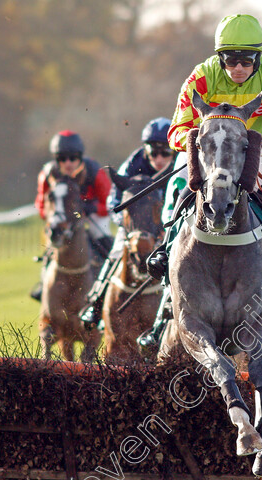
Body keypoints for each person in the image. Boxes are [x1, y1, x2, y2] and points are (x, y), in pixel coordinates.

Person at [137, 13, 262, 352]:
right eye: (231, 59)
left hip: (253, 150)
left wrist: (256, 147)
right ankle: (166, 247)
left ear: (258, 58)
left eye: (247, 60)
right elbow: (177, 128)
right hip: (207, 149)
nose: (239, 67)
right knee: (179, 185)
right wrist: (201, 144)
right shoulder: (201, 76)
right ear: (220, 57)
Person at [78, 117, 176, 330]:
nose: (159, 158)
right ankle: (96, 304)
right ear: (145, 149)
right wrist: (125, 226)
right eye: (154, 152)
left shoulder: (181, 165)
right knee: (115, 253)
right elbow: (114, 201)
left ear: (174, 150)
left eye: (165, 152)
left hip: (170, 224)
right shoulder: (131, 165)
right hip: (135, 226)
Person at [34, 130, 113, 260]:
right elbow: (41, 206)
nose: (68, 163)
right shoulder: (48, 174)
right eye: (62, 158)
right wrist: (53, 215)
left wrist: (93, 208)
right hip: (63, 216)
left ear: (80, 157)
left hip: (92, 214)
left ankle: (110, 261)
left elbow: (110, 204)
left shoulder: (95, 172)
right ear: (56, 159)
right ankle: (46, 272)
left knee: (100, 232)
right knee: (51, 238)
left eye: (73, 157)